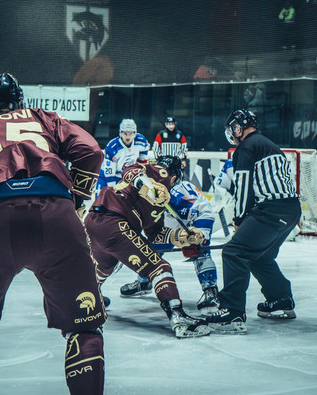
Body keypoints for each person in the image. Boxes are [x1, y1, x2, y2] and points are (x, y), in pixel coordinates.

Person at [0, 73, 106, 395]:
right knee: (83, 325)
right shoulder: (43, 118)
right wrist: (77, 198)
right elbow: (91, 151)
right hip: (56, 215)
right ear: (19, 98)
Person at [84, 155, 211, 338]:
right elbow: (130, 171)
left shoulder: (162, 202)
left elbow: (155, 234)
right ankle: (178, 316)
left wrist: (181, 236)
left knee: (104, 266)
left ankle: (87, 298)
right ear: (174, 177)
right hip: (115, 221)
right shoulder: (158, 173)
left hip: (95, 222)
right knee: (158, 267)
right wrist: (151, 186)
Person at [205, 109, 301, 334]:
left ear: (238, 128)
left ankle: (232, 311)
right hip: (291, 210)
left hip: (270, 210)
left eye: (233, 128)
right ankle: (281, 299)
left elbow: (244, 187)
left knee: (234, 252)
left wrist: (239, 219)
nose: (232, 133)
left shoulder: (246, 148)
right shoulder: (268, 144)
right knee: (259, 256)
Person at [119, 169, 220, 315]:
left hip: (196, 220)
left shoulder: (178, 193)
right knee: (151, 252)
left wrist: (198, 235)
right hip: (172, 221)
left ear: (172, 178)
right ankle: (143, 282)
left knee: (201, 254)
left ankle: (211, 291)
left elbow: (203, 210)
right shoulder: (165, 189)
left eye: (162, 175)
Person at [96, 118, 149, 195]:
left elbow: (144, 152)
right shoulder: (112, 147)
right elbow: (109, 173)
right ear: (120, 133)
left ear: (135, 133)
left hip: (127, 177)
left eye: (130, 133)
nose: (128, 137)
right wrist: (113, 190)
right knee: (100, 202)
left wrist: (140, 169)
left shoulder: (140, 140)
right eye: (125, 133)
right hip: (106, 177)